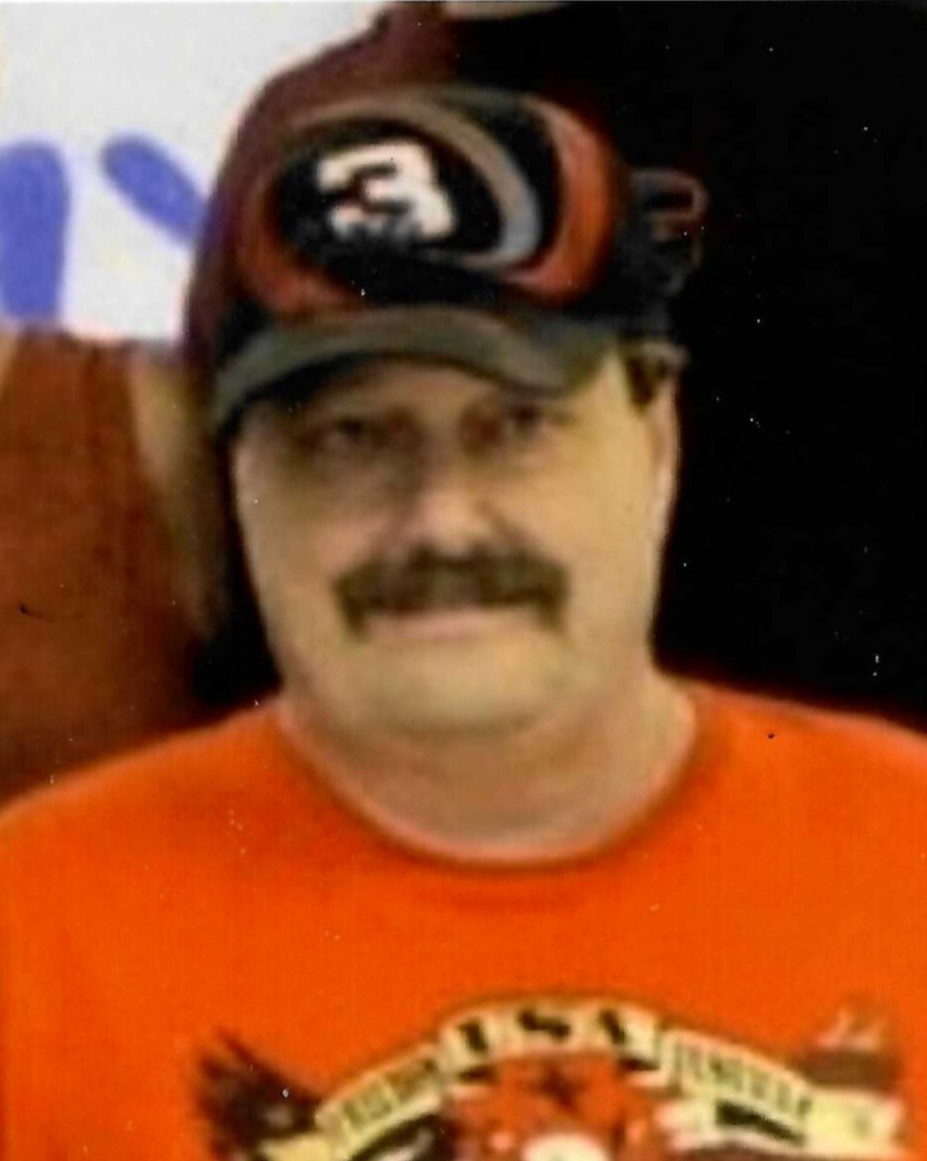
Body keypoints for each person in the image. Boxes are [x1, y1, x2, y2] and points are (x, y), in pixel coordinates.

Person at [0, 3, 926, 1158]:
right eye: (351, 439)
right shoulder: (32, 946)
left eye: (516, 426)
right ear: (232, 481)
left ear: (657, 437)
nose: (441, 517)